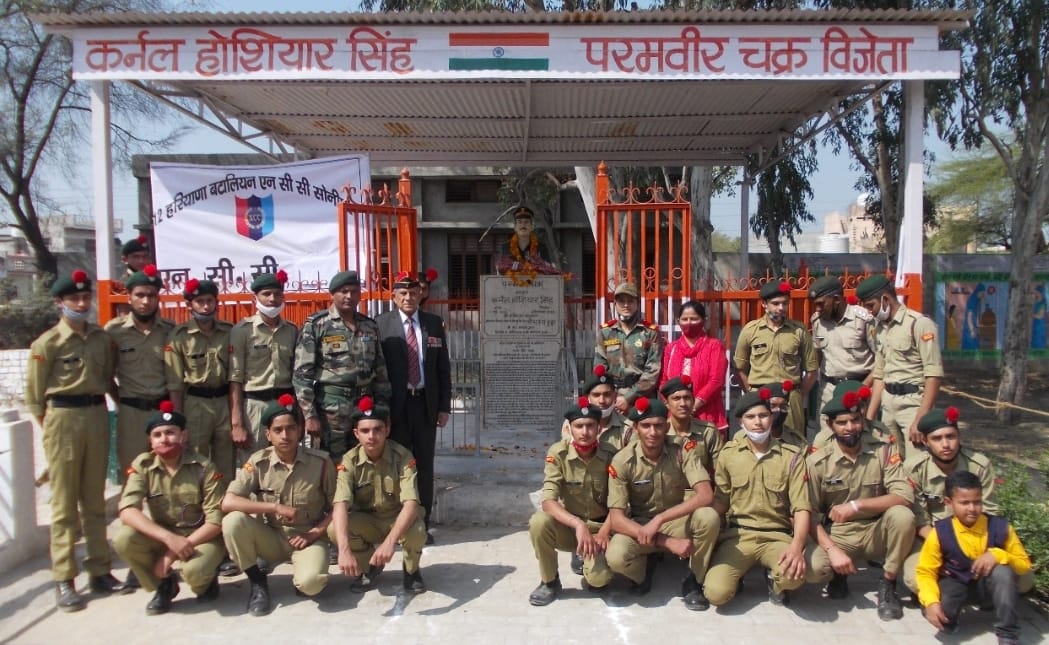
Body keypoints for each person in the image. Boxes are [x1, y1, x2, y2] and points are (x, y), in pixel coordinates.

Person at [26, 269, 120, 610]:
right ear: (59, 302)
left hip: (95, 413)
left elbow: (109, 378)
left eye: (85, 298)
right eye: (74, 299)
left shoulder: (99, 338)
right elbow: (35, 397)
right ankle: (64, 577)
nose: (81, 304)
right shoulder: (47, 343)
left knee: (93, 498)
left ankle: (99, 568)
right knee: (64, 504)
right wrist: (50, 428)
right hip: (62, 419)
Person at [221, 394, 336, 616]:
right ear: (268, 434)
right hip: (271, 538)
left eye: (291, 428)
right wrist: (274, 508)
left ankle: (302, 574)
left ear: (300, 430)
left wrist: (314, 533)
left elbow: (338, 506)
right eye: (278, 430)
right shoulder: (258, 462)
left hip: (307, 539)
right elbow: (228, 501)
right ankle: (257, 582)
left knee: (311, 585)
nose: (285, 435)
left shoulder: (321, 462)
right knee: (233, 522)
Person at [703, 389, 819, 608]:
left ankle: (775, 582)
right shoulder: (729, 455)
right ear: (740, 422)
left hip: (776, 536)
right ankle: (736, 577)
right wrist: (701, 521)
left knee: (793, 577)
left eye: (763, 416)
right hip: (738, 537)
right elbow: (721, 501)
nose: (758, 422)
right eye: (750, 417)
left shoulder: (791, 457)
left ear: (771, 417)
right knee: (716, 594)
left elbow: (802, 507)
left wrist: (796, 547)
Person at [901, 407, 1032, 597]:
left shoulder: (979, 464)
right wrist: (949, 549)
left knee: (1025, 580)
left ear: (959, 436)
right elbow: (920, 520)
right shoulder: (915, 468)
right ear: (926, 442)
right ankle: (958, 588)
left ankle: (969, 585)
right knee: (914, 579)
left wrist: (982, 551)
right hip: (933, 538)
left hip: (977, 536)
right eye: (937, 439)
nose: (946, 444)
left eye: (950, 436)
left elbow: (989, 511)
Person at [807, 391, 914, 621]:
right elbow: (809, 515)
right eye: (842, 422)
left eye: (855, 420)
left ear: (863, 420)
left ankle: (888, 583)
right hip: (839, 534)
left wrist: (857, 505)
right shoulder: (818, 462)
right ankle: (838, 573)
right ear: (830, 425)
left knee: (902, 516)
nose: (850, 427)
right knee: (815, 569)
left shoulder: (883, 451)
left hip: (876, 531)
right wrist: (832, 551)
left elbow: (904, 495)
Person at [606, 397, 720, 611]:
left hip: (674, 519)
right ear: (636, 428)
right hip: (640, 525)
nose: (653, 432)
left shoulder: (681, 450)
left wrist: (660, 519)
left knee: (708, 517)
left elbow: (705, 495)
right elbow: (617, 519)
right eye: (646, 426)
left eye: (658, 425)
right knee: (616, 557)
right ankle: (642, 571)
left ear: (667, 427)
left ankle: (694, 578)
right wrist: (664, 541)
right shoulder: (622, 461)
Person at [113, 402, 225, 615]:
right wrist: (168, 539)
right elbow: (128, 509)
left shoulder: (204, 468)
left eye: (171, 433)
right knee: (124, 539)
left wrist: (173, 552)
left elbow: (215, 521)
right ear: (150, 441)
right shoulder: (143, 466)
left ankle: (207, 581)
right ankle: (164, 585)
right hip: (164, 535)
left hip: (201, 537)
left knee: (195, 571)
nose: (164, 439)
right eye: (158, 435)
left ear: (184, 436)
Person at [376, 271, 451, 544]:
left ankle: (421, 520)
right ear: (393, 296)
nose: (409, 298)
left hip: (424, 404)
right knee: (396, 464)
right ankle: (396, 521)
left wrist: (444, 406)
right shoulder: (381, 325)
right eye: (403, 293)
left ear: (421, 294)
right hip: (396, 406)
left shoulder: (433, 323)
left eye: (413, 292)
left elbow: (443, 368)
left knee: (424, 465)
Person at [915, 470, 1031, 645]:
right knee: (943, 610)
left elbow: (1023, 565)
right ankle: (948, 617)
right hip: (957, 584)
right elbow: (925, 572)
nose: (972, 508)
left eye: (977, 502)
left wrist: (999, 554)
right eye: (964, 503)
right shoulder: (940, 532)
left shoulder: (1001, 527)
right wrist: (931, 602)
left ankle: (1008, 632)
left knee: (1003, 573)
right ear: (949, 503)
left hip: (990, 587)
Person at [330, 397, 427, 595]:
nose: (371, 436)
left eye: (377, 429)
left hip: (397, 519)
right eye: (365, 431)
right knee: (334, 529)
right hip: (369, 521)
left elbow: (411, 504)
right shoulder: (349, 461)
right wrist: (344, 549)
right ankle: (369, 566)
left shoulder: (403, 457)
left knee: (417, 529)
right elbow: (340, 504)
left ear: (387, 430)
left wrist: (389, 543)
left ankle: (411, 571)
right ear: (356, 433)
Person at [293, 270, 392, 464]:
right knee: (331, 466)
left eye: (354, 291)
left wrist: (383, 409)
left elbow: (381, 372)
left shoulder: (369, 325)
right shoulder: (317, 325)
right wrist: (309, 414)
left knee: (364, 463)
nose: (349, 296)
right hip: (331, 409)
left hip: (365, 407)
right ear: (332, 294)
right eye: (343, 291)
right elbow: (302, 373)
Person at [528, 397, 615, 605]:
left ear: (599, 429)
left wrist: (604, 532)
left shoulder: (611, 455)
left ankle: (589, 560)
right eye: (579, 426)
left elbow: (619, 502)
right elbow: (548, 500)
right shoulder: (558, 453)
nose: (585, 432)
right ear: (570, 428)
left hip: (600, 529)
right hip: (569, 527)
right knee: (539, 522)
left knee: (599, 580)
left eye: (590, 426)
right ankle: (549, 581)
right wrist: (578, 524)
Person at [856, 275, 944, 458]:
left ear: (885, 299)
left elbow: (933, 374)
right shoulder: (879, 329)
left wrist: (921, 418)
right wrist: (871, 419)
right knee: (892, 463)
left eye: (871, 305)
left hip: (913, 404)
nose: (869, 311)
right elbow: (880, 375)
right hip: (888, 406)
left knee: (917, 463)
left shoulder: (919, 324)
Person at [106, 264, 175, 484]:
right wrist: (124, 402)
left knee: (166, 476)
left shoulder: (170, 330)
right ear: (129, 297)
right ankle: (130, 518)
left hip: (163, 412)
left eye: (152, 296)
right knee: (132, 475)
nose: (146, 302)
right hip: (131, 413)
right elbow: (106, 375)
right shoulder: (114, 331)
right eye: (140, 295)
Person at [164, 278, 235, 480]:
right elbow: (175, 384)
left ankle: (223, 506)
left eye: (210, 301)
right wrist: (178, 422)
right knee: (196, 458)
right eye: (200, 301)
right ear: (190, 305)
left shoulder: (229, 332)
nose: (206, 306)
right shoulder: (179, 336)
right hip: (195, 404)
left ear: (216, 303)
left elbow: (236, 375)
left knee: (225, 460)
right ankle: (197, 506)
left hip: (223, 402)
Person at [229, 269, 298, 464]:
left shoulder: (291, 330)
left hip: (285, 404)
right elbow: (235, 379)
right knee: (254, 462)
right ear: (256, 298)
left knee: (286, 459)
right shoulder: (242, 331)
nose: (272, 299)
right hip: (255, 407)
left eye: (277, 294)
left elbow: (297, 375)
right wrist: (237, 423)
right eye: (266, 294)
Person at [733, 279, 819, 438]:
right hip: (760, 395)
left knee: (793, 442)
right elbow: (739, 368)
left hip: (789, 397)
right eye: (776, 303)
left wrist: (798, 396)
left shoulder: (798, 331)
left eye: (785, 303)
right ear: (764, 304)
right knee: (759, 440)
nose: (781, 308)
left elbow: (812, 370)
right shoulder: (750, 331)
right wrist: (752, 393)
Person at [594, 282, 665, 414]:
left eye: (630, 301)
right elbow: (599, 366)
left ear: (637, 304)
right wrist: (612, 396)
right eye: (621, 301)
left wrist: (628, 398)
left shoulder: (650, 333)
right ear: (615, 304)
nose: (626, 305)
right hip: (612, 399)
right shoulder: (605, 333)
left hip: (641, 398)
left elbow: (652, 372)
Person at [807, 275, 875, 411]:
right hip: (828, 390)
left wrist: (865, 386)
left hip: (859, 387)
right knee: (826, 432)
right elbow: (818, 355)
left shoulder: (862, 319)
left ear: (837, 299)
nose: (818, 309)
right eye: (816, 305)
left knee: (858, 430)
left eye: (821, 304)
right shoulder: (817, 321)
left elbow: (882, 358)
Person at [659, 300, 728, 434]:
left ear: (704, 320)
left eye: (694, 319)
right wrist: (672, 405)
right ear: (678, 321)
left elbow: (716, 380)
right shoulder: (671, 348)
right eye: (685, 319)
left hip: (707, 414)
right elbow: (663, 381)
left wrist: (693, 406)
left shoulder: (714, 346)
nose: (689, 323)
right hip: (675, 416)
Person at [660, 376, 723, 475]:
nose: (683, 404)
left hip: (699, 489)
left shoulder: (708, 431)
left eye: (687, 398)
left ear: (693, 401)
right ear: (667, 404)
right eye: (676, 398)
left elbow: (720, 472)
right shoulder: (660, 432)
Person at [562, 365, 634, 452]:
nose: (602, 401)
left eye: (607, 394)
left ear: (615, 396)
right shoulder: (573, 424)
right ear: (587, 397)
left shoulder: (627, 428)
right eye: (596, 395)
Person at [731, 380, 807, 449]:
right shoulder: (741, 437)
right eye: (773, 406)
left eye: (783, 406)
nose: (778, 410)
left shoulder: (796, 440)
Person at [494, 206, 560, 278]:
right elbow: (500, 270)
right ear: (515, 227)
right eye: (519, 222)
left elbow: (548, 271)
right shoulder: (505, 247)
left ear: (532, 227)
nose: (523, 225)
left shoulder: (541, 247)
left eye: (526, 222)